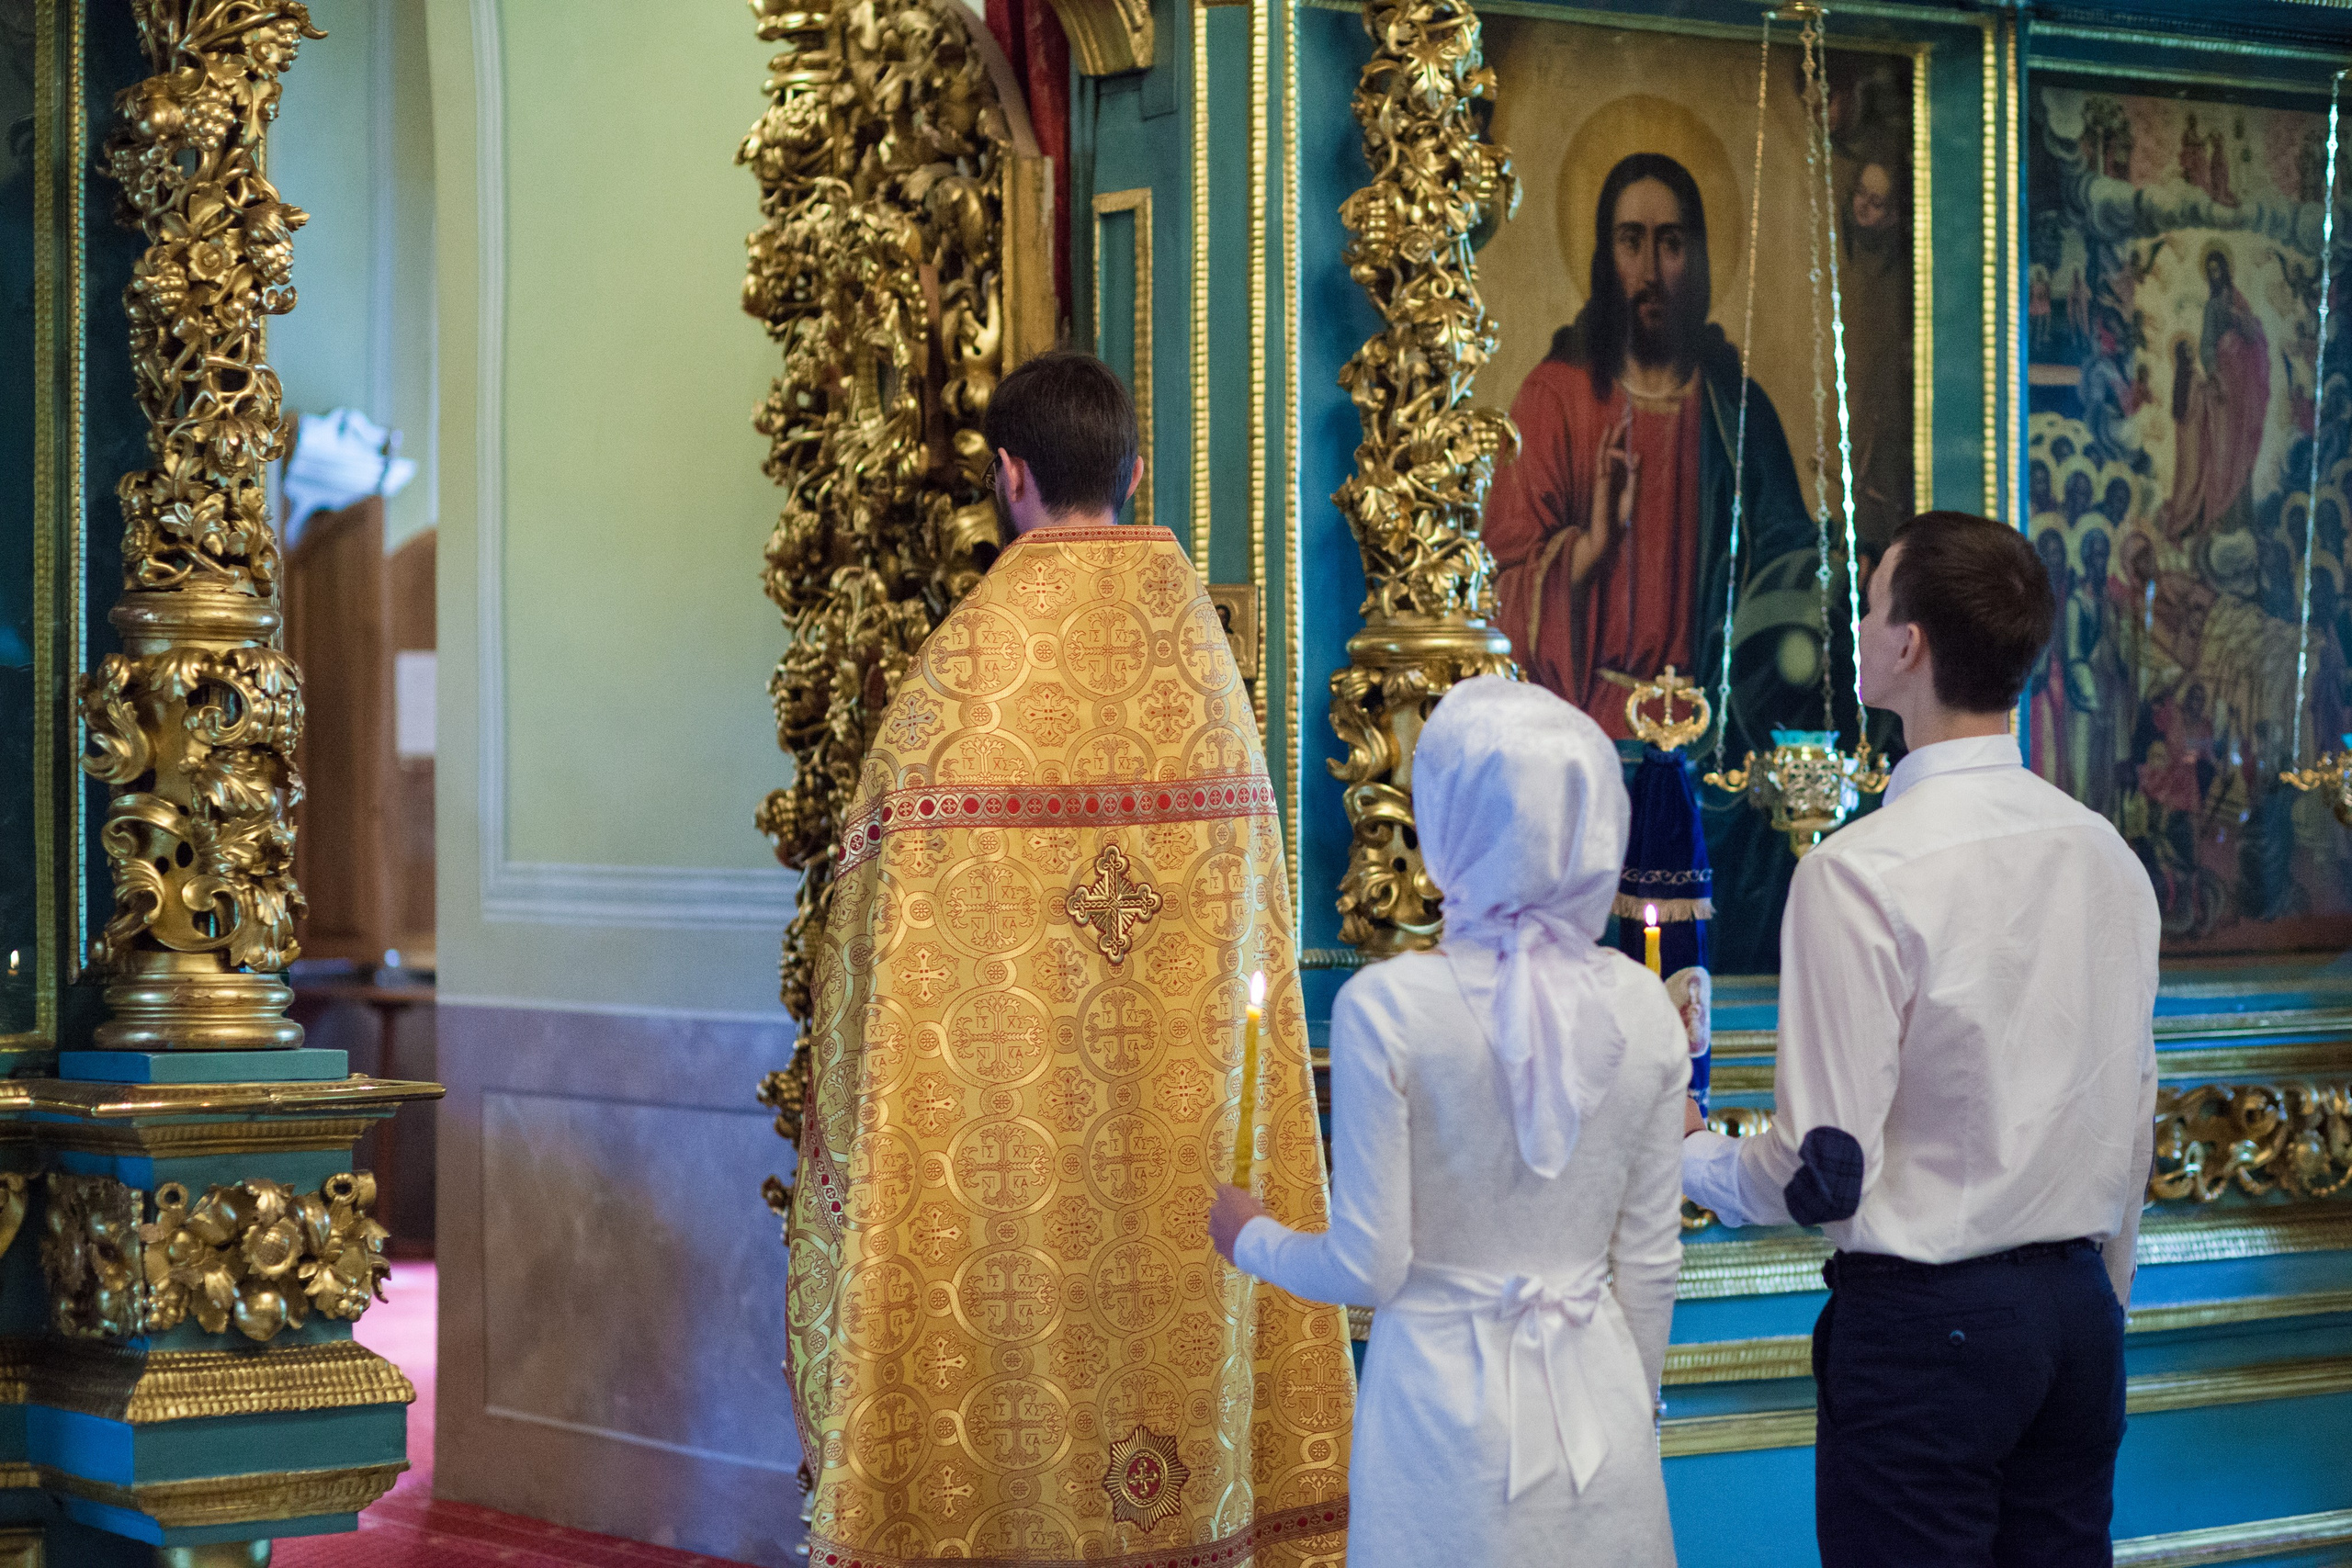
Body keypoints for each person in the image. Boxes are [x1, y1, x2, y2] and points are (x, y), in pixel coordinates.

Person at [783, 351, 1351, 1566]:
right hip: (1194, 1163)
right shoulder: (1208, 685)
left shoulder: (950, 697)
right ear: (1134, 472)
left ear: (1008, 474)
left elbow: (861, 968)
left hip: (1000, 1163)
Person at [1681, 511, 2160, 1567]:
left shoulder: (1857, 872)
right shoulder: (2109, 859)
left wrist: (1690, 1154)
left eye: (1869, 606)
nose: (1855, 628)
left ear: (1907, 645)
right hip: (2079, 1319)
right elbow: (2133, 1118)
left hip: (1928, 1335)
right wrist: (2097, 1304)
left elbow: (1822, 1174)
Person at [1209, 676, 1687, 1568]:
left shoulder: (1389, 1006)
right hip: (1600, 1415)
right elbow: (1651, 1265)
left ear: (1450, 818)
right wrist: (1635, 1405)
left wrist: (1253, 1238)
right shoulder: (1644, 1007)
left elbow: (1370, 1265)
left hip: (1441, 1424)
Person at [1482, 151, 1822, 972]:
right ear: (1604, 256)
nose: (1650, 268)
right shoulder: (1555, 400)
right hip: (1591, 737)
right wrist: (1589, 548)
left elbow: (1788, 575)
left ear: (1697, 258)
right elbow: (1499, 587)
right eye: (1630, 240)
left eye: (1671, 242)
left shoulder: (1737, 412)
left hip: (1719, 747)